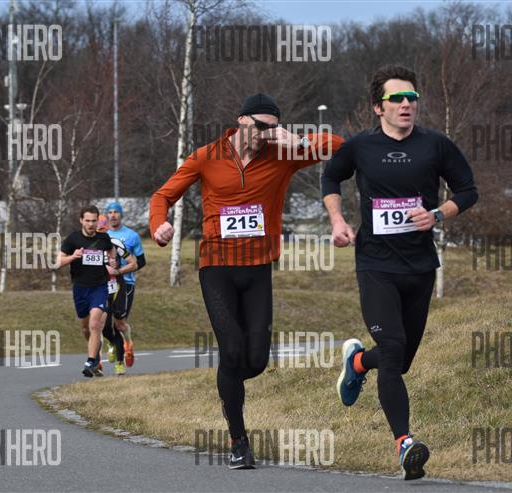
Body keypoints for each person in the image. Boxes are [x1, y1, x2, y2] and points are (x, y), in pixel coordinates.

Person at [150, 93, 342, 469]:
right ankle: (238, 440)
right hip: (216, 267)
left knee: (254, 361)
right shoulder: (206, 156)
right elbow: (163, 195)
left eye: (272, 129)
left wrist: (296, 140)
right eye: (260, 127)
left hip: (257, 269)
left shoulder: (283, 155)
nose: (265, 135)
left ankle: (229, 387)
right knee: (233, 351)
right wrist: (159, 225)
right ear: (241, 121)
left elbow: (338, 147)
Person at [322, 64, 478, 480]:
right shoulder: (360, 146)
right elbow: (331, 177)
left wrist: (438, 214)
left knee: (401, 360)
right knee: (392, 349)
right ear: (379, 107)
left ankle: (357, 363)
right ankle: (405, 444)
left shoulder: (436, 145)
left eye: (412, 98)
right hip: (376, 264)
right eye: (397, 99)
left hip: (420, 266)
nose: (406, 104)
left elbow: (468, 190)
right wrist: (337, 221)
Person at [59, 206, 120, 377]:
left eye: (94, 221)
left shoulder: (103, 238)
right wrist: (73, 257)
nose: (91, 224)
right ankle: (95, 353)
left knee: (95, 324)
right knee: (85, 328)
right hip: (80, 288)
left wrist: (113, 260)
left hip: (99, 287)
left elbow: (111, 250)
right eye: (87, 221)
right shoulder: (73, 239)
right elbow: (58, 261)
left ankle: (91, 361)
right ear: (81, 220)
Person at [103, 202, 145, 369]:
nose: (113, 215)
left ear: (121, 215)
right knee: (103, 321)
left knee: (119, 323)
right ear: (107, 215)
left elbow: (141, 261)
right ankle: (112, 343)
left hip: (126, 283)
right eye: (110, 212)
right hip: (106, 283)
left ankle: (127, 343)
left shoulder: (132, 236)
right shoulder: (103, 235)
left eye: (116, 212)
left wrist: (121, 271)